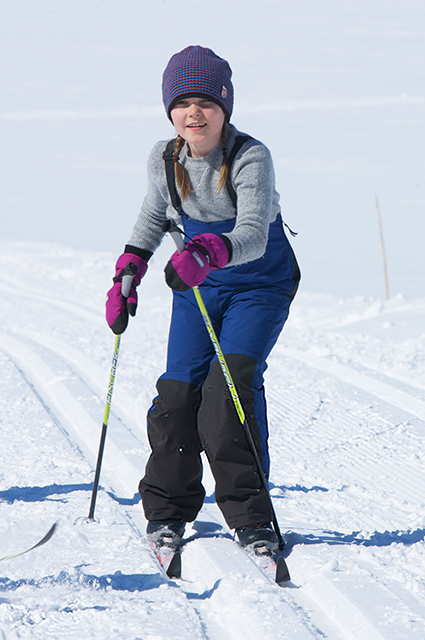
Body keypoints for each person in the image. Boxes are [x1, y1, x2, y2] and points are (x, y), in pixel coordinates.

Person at [106, 45, 300, 556]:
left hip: (258, 285)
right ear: (170, 109)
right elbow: (154, 216)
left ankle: (252, 519)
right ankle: (168, 512)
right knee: (176, 397)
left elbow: (254, 233)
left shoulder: (249, 156)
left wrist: (210, 249)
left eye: (207, 102)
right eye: (183, 102)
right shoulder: (164, 157)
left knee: (226, 392)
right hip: (197, 283)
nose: (195, 113)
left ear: (225, 108)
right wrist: (129, 270)